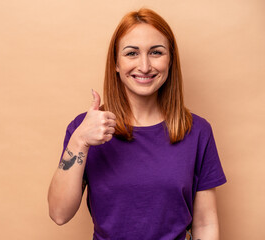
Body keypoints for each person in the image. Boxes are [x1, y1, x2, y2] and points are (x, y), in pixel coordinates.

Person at [48, 8, 226, 240]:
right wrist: (80, 141)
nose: (144, 66)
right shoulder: (86, 128)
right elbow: (59, 213)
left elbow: (205, 224)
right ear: (116, 63)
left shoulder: (198, 131)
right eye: (131, 53)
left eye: (156, 52)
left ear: (170, 60)